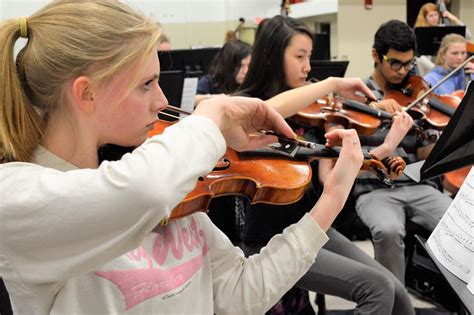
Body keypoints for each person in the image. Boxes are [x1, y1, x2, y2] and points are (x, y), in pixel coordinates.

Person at [0, 1, 366, 314]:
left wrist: (331, 200)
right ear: (87, 93)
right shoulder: (16, 195)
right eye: (147, 84)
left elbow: (239, 292)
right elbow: (140, 193)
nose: (162, 101)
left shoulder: (165, 176)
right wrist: (213, 119)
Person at [231, 15, 415, 315]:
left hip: (312, 225)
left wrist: (385, 147)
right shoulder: (249, 104)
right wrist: (330, 84)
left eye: (310, 57)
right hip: (272, 240)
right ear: (273, 57)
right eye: (300, 57)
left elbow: (331, 177)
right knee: (377, 289)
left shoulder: (311, 113)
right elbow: (265, 112)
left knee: (397, 291)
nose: (308, 67)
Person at [357, 19, 452, 284]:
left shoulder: (415, 95)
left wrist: (437, 130)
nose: (402, 71)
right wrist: (376, 109)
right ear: (376, 55)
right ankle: (393, 300)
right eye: (395, 63)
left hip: (414, 185)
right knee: (388, 230)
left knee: (462, 222)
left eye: (409, 63)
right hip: (373, 189)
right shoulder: (358, 95)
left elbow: (424, 156)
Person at [413, 2, 472, 76]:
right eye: (431, 16)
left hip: (444, 68)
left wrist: (454, 19)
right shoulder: (420, 32)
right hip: (427, 69)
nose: (434, 18)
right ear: (425, 18)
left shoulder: (443, 28)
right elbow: (420, 56)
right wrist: (437, 69)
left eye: (436, 14)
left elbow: (468, 36)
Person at [195, 39, 252, 105]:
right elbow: (194, 99)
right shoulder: (209, 82)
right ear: (228, 65)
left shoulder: (251, 83)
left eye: (249, 65)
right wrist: (215, 98)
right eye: (240, 66)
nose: (246, 71)